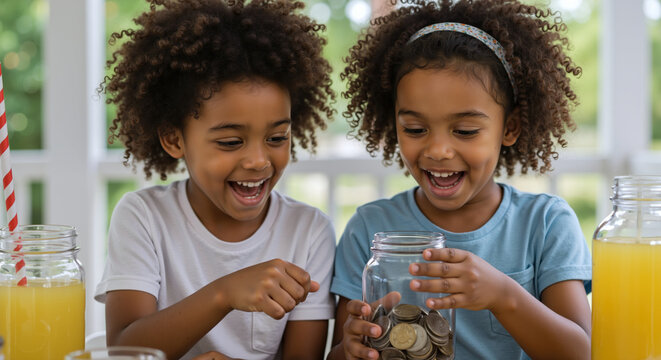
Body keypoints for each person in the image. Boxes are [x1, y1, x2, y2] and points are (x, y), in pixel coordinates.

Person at [327, 0, 592, 359]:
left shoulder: (545, 224)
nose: (438, 150)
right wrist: (353, 348)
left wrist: (503, 295)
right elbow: (340, 352)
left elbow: (581, 353)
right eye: (416, 129)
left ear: (509, 127)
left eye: (465, 131)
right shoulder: (370, 229)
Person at [94, 0, 337, 359]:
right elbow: (126, 349)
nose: (258, 161)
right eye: (230, 142)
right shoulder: (143, 216)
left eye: (276, 138)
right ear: (175, 139)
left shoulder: (308, 231)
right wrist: (224, 293)